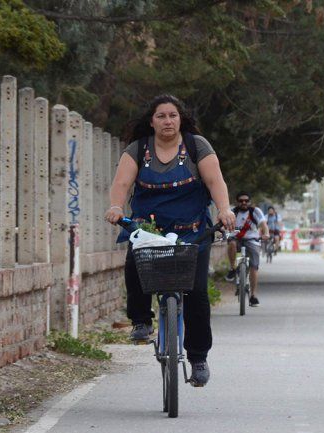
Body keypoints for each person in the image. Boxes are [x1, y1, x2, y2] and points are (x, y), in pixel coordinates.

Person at [105, 94, 234, 387]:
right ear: (151, 121)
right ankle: (141, 321)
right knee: (134, 265)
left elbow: (215, 181)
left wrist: (224, 209)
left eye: (172, 115)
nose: (167, 121)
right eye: (161, 116)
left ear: (181, 119)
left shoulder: (196, 146)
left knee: (197, 293)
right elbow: (122, 183)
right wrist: (116, 206)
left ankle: (198, 358)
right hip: (149, 231)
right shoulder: (138, 149)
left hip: (192, 232)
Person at [225, 192, 269, 306]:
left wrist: (266, 233)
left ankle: (253, 296)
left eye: (246, 201)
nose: (244, 203)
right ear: (237, 202)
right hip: (236, 239)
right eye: (241, 201)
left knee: (254, 267)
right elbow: (224, 225)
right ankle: (232, 268)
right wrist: (222, 233)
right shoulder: (232, 212)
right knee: (232, 244)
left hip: (252, 240)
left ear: (250, 202)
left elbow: (263, 224)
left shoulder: (255, 211)